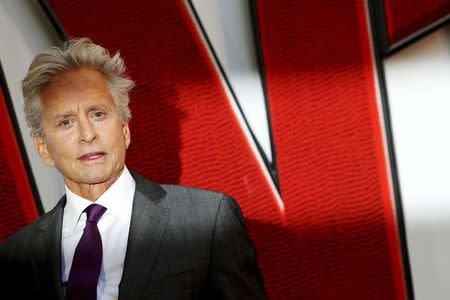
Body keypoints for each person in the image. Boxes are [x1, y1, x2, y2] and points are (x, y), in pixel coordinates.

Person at [0, 38, 267, 299]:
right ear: (43, 148)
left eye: (98, 114)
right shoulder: (15, 256)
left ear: (125, 130)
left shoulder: (207, 222)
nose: (88, 134)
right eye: (66, 122)